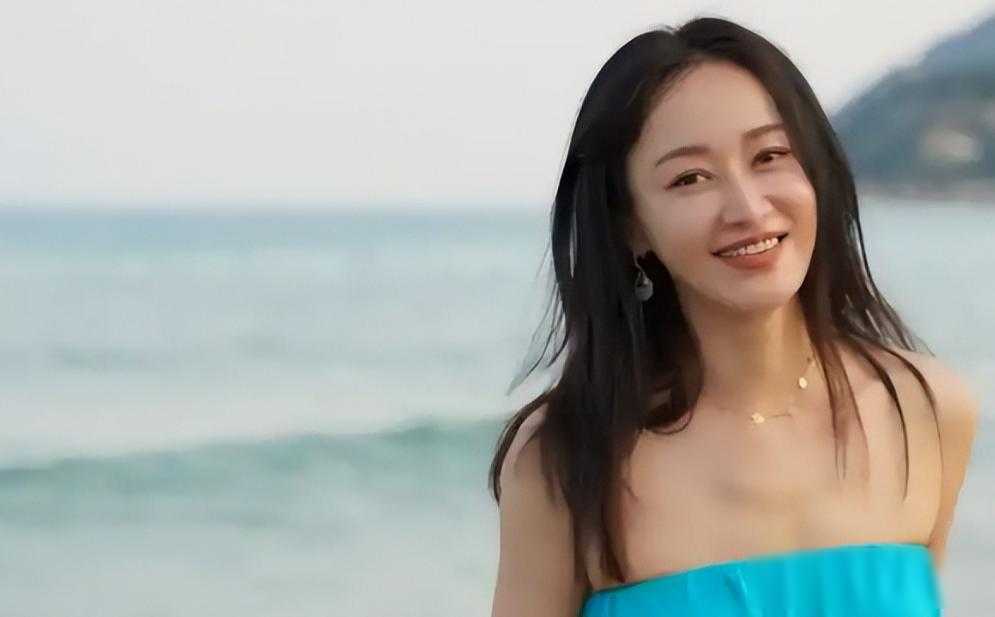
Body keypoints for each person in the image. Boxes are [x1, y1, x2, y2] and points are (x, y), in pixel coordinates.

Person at [487, 15, 980, 617]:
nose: (747, 208)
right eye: (690, 178)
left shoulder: (928, 412)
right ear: (631, 226)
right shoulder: (569, 455)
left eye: (770, 155)